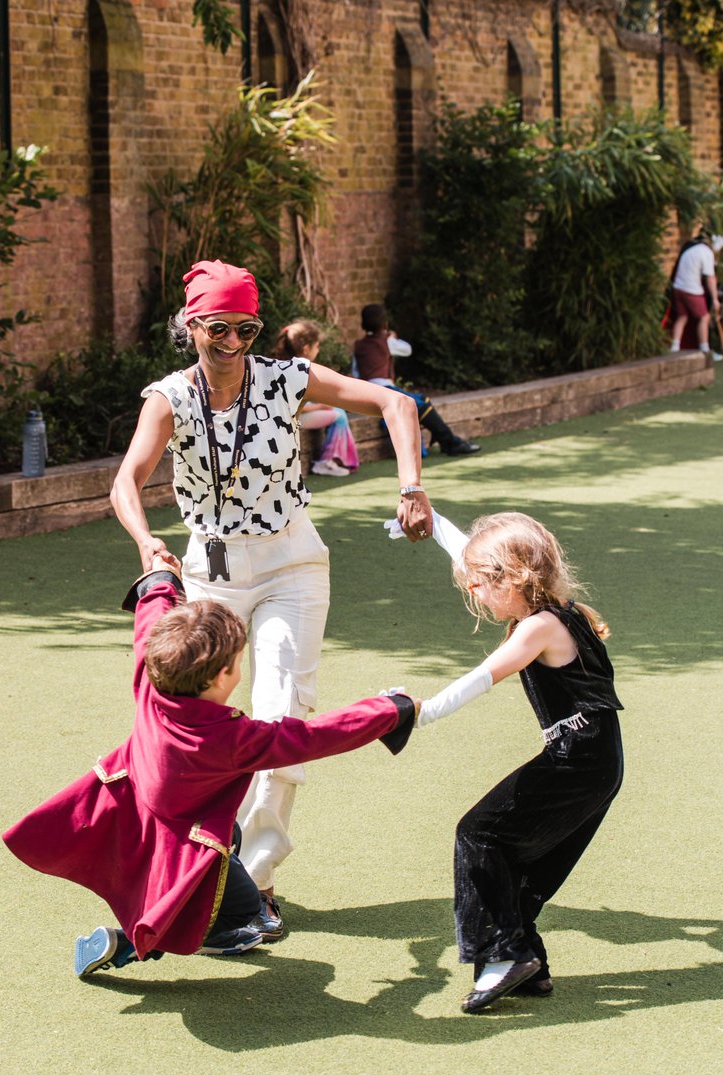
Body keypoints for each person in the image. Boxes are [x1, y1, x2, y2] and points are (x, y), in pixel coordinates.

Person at [109, 259, 432, 942]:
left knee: (280, 713)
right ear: (191, 326)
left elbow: (395, 404)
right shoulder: (168, 397)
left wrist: (410, 487)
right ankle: (192, 858)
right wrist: (145, 542)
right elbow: (125, 483)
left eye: (247, 328)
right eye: (219, 327)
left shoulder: (287, 378)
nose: (233, 341)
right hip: (209, 568)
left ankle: (255, 878)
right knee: (196, 726)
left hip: (291, 561)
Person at [2, 560, 418, 975]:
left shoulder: (152, 679)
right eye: (239, 660)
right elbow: (313, 736)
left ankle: (181, 925)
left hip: (129, 811)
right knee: (242, 911)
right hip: (180, 847)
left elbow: (150, 621)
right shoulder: (229, 739)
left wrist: (161, 581)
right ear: (221, 677)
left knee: (230, 834)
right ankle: (128, 943)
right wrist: (389, 711)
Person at [387, 509, 624, 1014]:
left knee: (480, 833)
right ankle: (527, 963)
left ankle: (504, 954)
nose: (473, 592)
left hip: (577, 758)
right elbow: (468, 552)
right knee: (517, 859)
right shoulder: (564, 608)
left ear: (511, 579)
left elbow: (481, 678)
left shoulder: (537, 628)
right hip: (598, 759)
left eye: (479, 583)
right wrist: (433, 522)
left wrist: (416, 714)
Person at [353, 303, 481, 457]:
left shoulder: (358, 346)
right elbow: (407, 349)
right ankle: (450, 443)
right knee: (421, 403)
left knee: (421, 400)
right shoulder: (387, 342)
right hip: (384, 389)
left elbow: (355, 372)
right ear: (384, 323)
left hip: (366, 390)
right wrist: (391, 336)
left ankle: (445, 440)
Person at [272, 320, 359, 478]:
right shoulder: (296, 369)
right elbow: (294, 406)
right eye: (317, 346)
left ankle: (333, 459)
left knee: (338, 411)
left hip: (299, 416)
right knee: (339, 415)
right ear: (306, 349)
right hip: (290, 420)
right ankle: (327, 462)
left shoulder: (285, 366)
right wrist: (320, 407)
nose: (318, 350)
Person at [669, 232, 723, 358]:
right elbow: (710, 278)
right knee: (704, 317)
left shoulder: (693, 249)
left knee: (682, 317)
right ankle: (705, 350)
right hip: (691, 289)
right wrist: (715, 299)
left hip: (678, 288)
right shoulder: (707, 253)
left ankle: (675, 348)